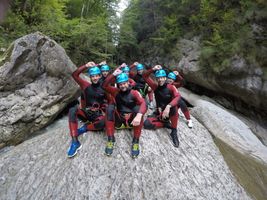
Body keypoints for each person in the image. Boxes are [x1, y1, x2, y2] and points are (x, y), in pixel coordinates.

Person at [102, 67, 147, 158]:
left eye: (124, 83)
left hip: (132, 122)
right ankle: (111, 139)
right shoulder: (115, 91)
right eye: (120, 84)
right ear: (118, 85)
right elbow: (104, 86)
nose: (123, 86)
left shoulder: (134, 93)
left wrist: (139, 115)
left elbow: (143, 103)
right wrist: (113, 75)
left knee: (138, 109)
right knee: (110, 108)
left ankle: (135, 141)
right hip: (119, 120)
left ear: (128, 83)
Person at [67, 61, 109, 158]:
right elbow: (75, 75)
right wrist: (85, 66)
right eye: (93, 76)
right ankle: (75, 141)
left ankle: (84, 129)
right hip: (86, 113)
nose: (95, 78)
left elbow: (110, 101)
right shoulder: (85, 85)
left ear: (100, 76)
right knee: (72, 110)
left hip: (97, 115)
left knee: (104, 122)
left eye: (97, 76)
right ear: (90, 77)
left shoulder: (104, 88)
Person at [143, 65, 181, 147]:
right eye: (158, 78)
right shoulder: (155, 86)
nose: (160, 80)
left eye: (162, 78)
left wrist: (168, 106)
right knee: (146, 124)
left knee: (174, 108)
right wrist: (153, 69)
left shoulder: (171, 87)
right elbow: (145, 76)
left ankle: (174, 131)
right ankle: (165, 124)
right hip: (159, 112)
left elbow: (178, 97)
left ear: (165, 78)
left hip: (169, 111)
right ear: (156, 79)